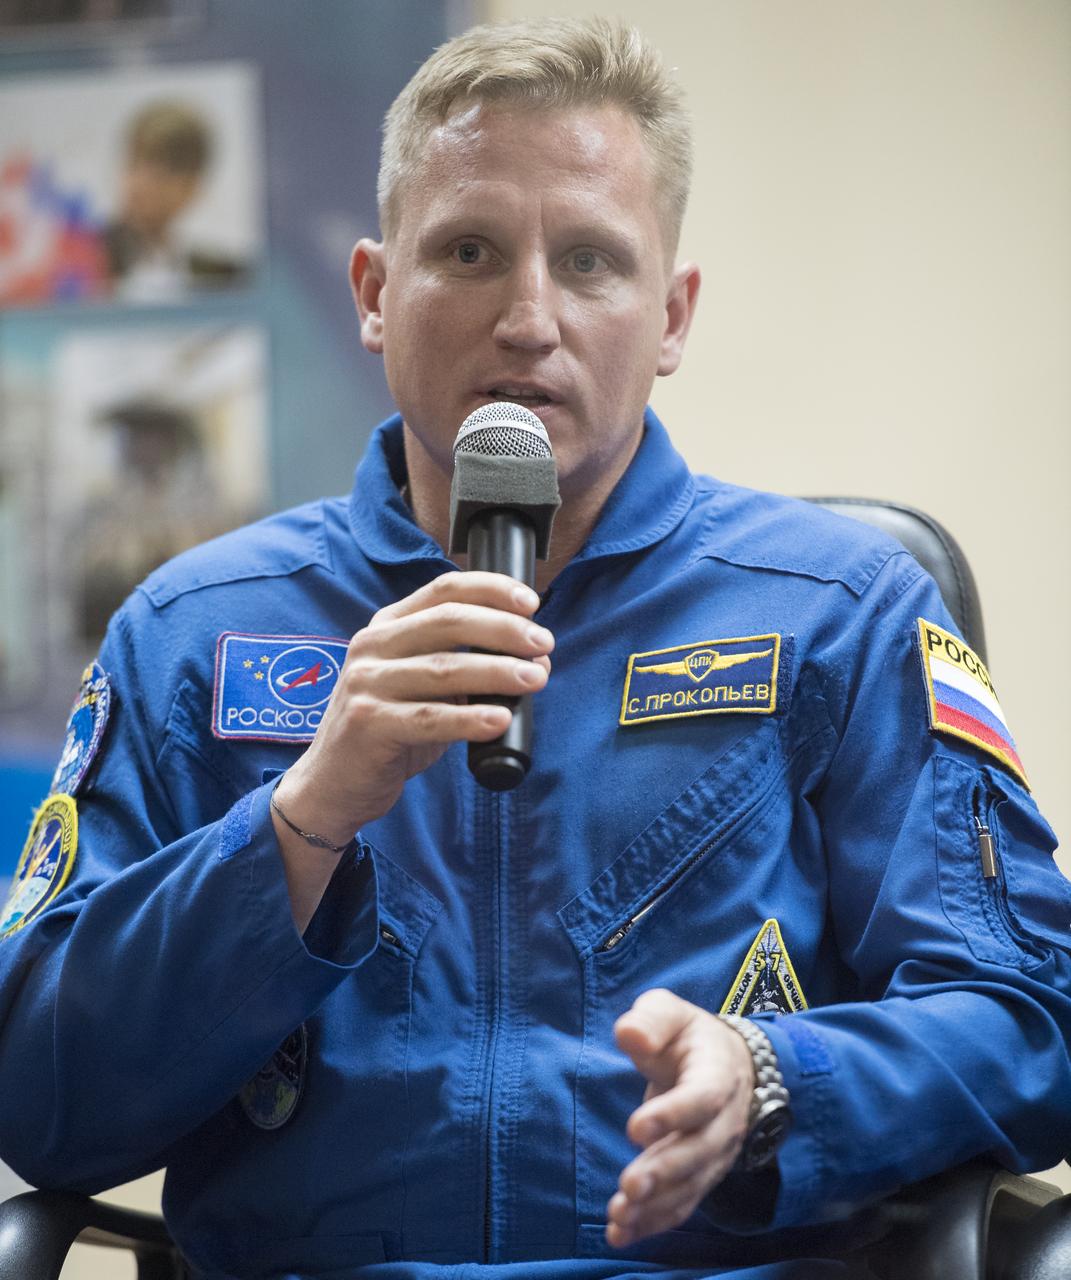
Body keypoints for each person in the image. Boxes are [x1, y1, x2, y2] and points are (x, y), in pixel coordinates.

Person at [1, 17, 1069, 1280]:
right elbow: (39, 1097)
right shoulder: (190, 631)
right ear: (373, 293)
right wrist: (298, 823)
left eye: (591, 261)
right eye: (468, 250)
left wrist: (780, 1077)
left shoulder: (846, 608)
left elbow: (1028, 1015)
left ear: (670, 316)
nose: (529, 318)